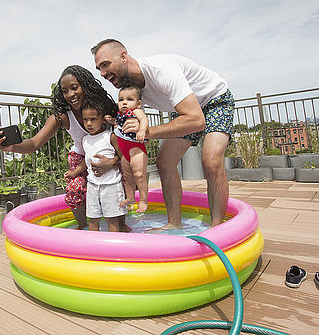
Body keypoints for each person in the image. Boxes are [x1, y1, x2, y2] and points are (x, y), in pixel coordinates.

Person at [91, 39, 234, 229]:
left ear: (124, 56)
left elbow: (196, 121)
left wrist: (147, 132)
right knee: (165, 162)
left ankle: (217, 228)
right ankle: (174, 224)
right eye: (98, 68)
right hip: (185, 108)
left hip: (215, 100)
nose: (102, 73)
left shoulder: (162, 71)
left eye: (105, 64)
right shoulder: (132, 89)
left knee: (211, 161)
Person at [0, 65, 121, 230]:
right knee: (74, 188)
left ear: (86, 86)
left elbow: (127, 139)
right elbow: (34, 143)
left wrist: (113, 162)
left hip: (111, 156)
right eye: (65, 91)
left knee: (122, 179)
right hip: (81, 159)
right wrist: (11, 147)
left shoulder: (104, 109)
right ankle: (83, 227)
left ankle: (121, 225)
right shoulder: (63, 116)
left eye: (74, 88)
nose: (70, 95)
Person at [81, 98, 127, 232]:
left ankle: (115, 248)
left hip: (111, 184)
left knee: (111, 218)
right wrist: (76, 171)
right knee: (93, 218)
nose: (89, 123)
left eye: (93, 119)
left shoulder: (110, 136)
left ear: (103, 119)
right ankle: (93, 248)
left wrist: (111, 163)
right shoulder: (85, 139)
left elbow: (122, 156)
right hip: (93, 185)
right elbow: (87, 160)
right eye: (85, 120)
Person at [109, 82, 149, 214]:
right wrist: (112, 121)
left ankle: (143, 200)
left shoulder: (136, 111)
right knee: (127, 176)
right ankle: (131, 197)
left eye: (129, 99)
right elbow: (119, 125)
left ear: (138, 103)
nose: (124, 103)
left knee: (139, 175)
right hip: (125, 152)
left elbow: (144, 120)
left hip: (136, 149)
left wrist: (142, 130)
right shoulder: (120, 115)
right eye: (121, 100)